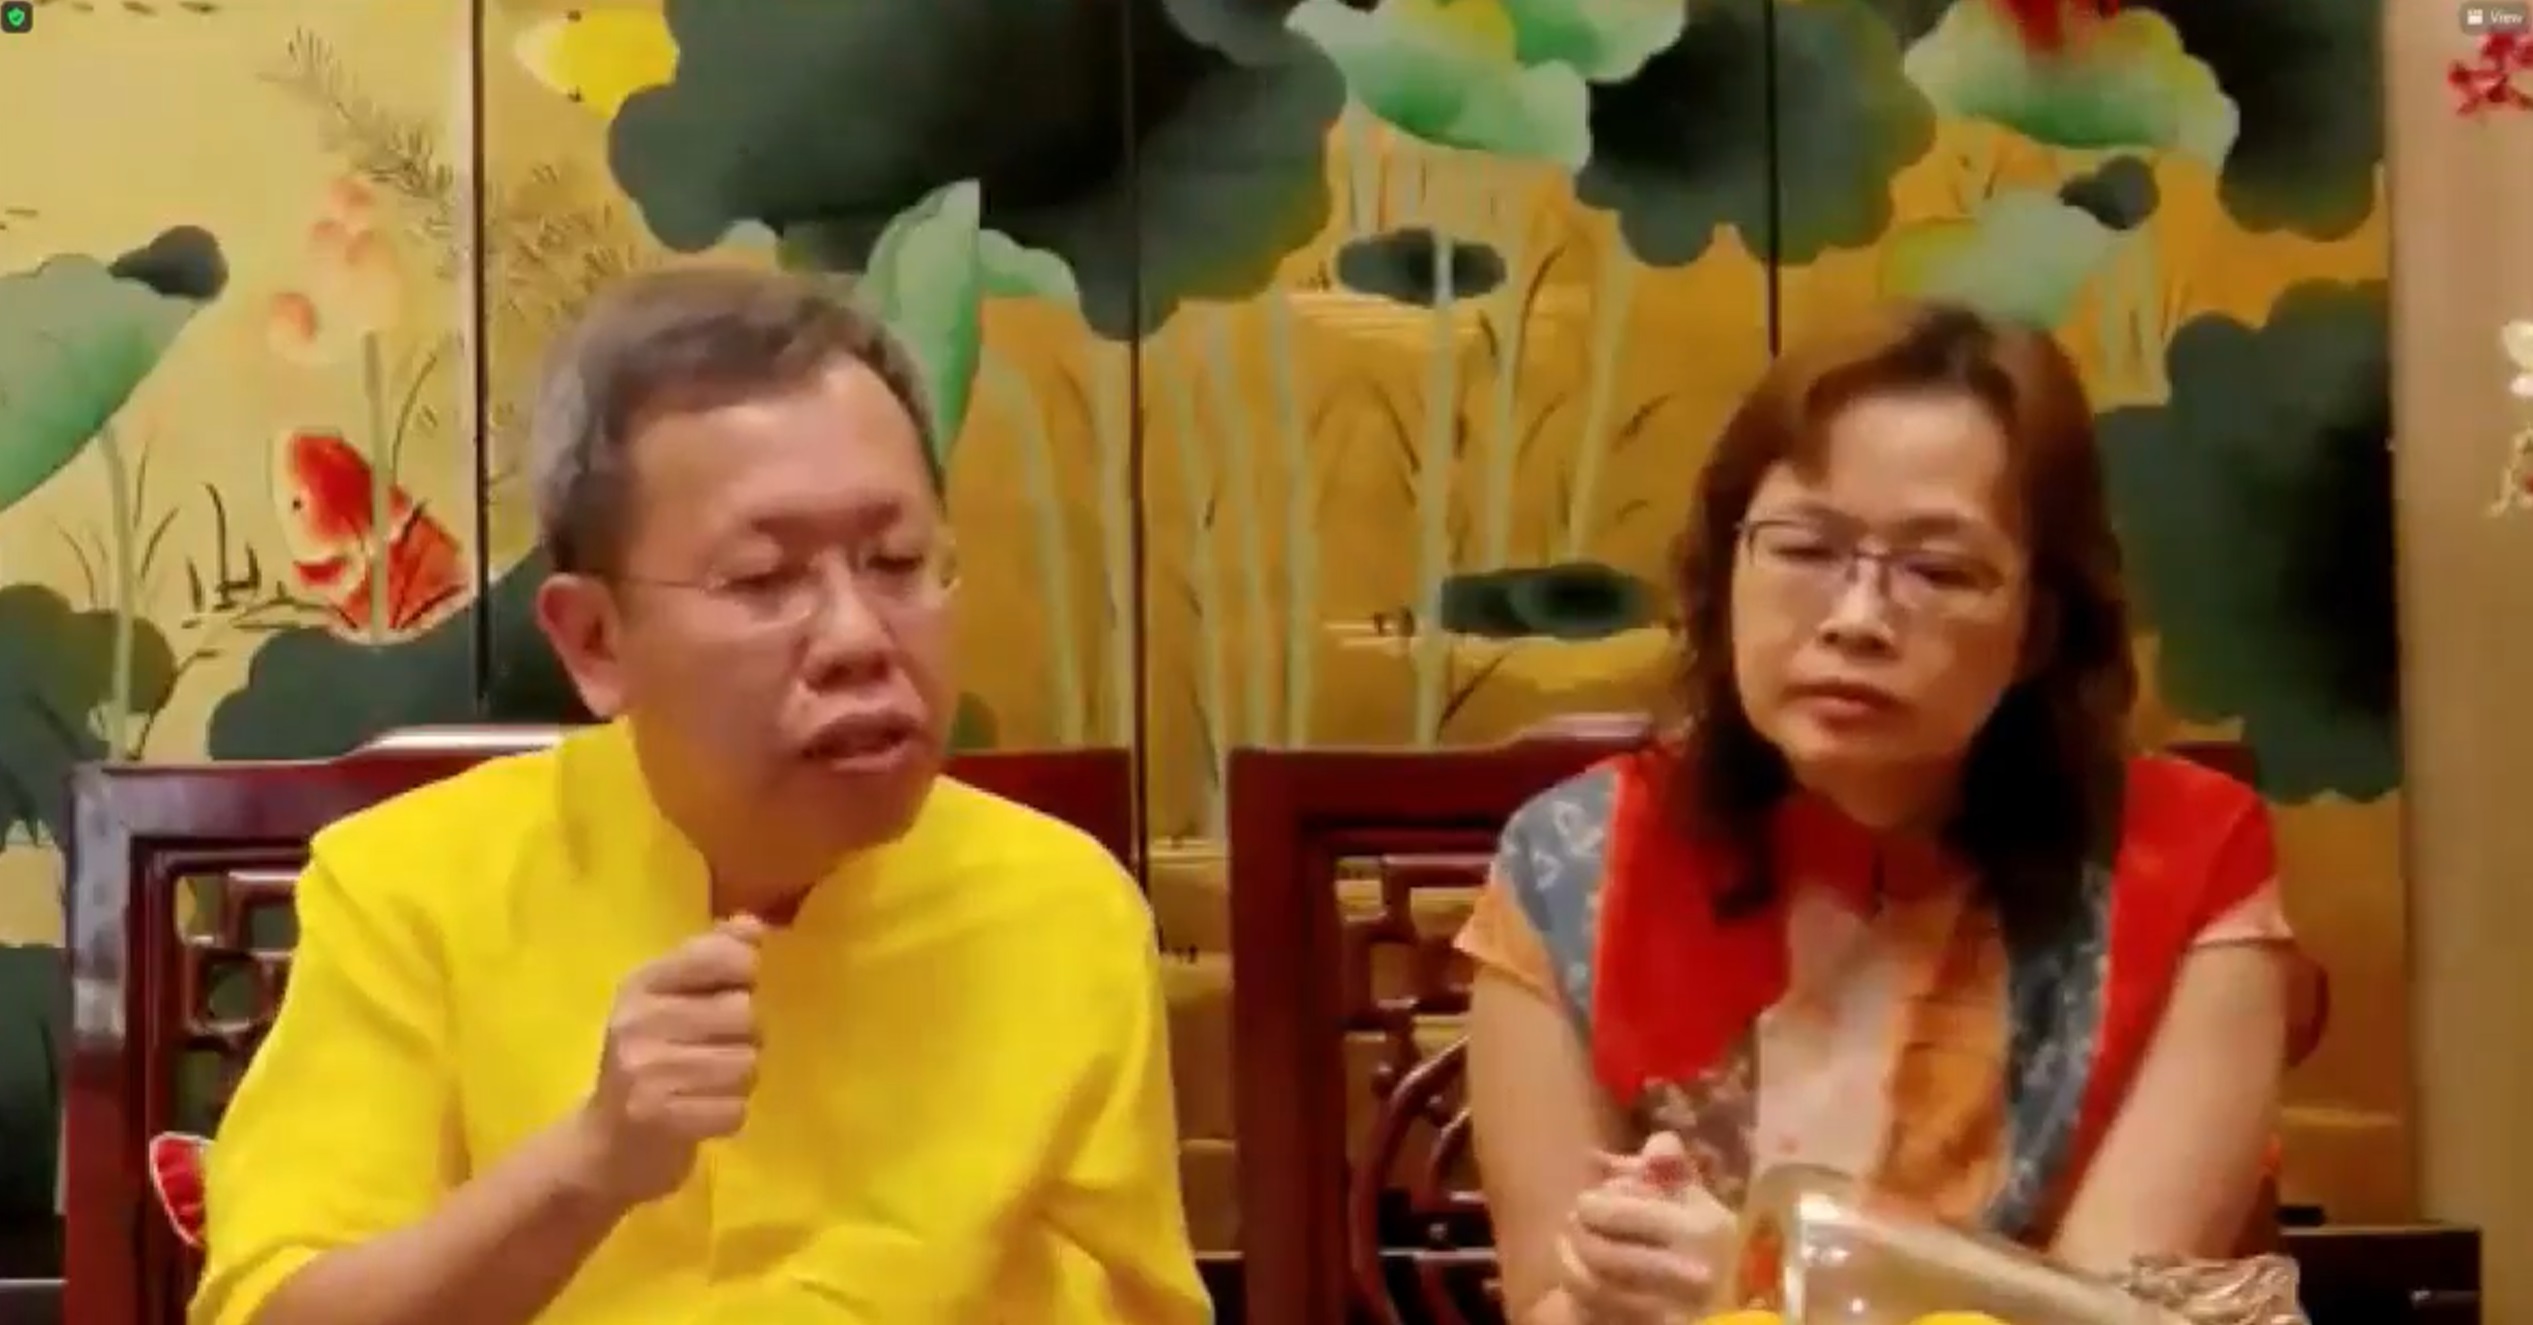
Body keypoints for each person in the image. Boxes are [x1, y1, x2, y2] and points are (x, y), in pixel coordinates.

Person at [192, 266, 1211, 1325]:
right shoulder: (410, 889)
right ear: (595, 640)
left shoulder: (1061, 911)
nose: (858, 636)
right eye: (764, 579)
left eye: (898, 560)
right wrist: (589, 1163)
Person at [1456, 304, 2297, 1323]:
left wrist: (1767, 1282)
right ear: (1726, 572)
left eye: (1938, 570)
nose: (1855, 619)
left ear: (2036, 628)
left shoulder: (2188, 859)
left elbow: (2112, 1320)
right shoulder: (1567, 863)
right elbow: (1545, 1303)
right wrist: (1607, 1290)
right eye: (1804, 549)